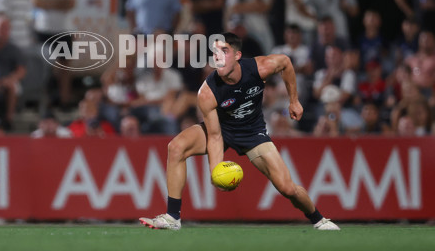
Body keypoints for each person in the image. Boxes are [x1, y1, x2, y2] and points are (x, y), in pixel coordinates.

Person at [139, 33, 339, 231]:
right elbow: (215, 135)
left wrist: (294, 100)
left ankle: (319, 219)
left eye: (224, 51)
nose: (218, 56)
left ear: (237, 55)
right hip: (223, 128)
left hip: (253, 132)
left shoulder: (260, 68)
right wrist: (215, 171)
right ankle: (173, 217)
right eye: (215, 52)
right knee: (176, 147)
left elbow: (285, 63)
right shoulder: (208, 92)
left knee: (287, 188)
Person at [30, 0, 76, 107]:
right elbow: (36, 2)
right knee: (42, 69)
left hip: (63, 30)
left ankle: (65, 101)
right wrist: (58, 4)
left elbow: (70, 4)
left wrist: (47, 4)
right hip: (43, 30)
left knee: (64, 69)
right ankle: (44, 102)